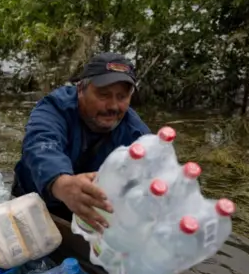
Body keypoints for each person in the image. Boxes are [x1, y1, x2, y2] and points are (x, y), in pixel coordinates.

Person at [12, 52, 151, 233]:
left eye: (122, 97)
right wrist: (62, 183)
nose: (113, 106)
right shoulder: (55, 107)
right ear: (80, 90)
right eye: (104, 95)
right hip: (34, 200)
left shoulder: (136, 133)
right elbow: (40, 144)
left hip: (87, 213)